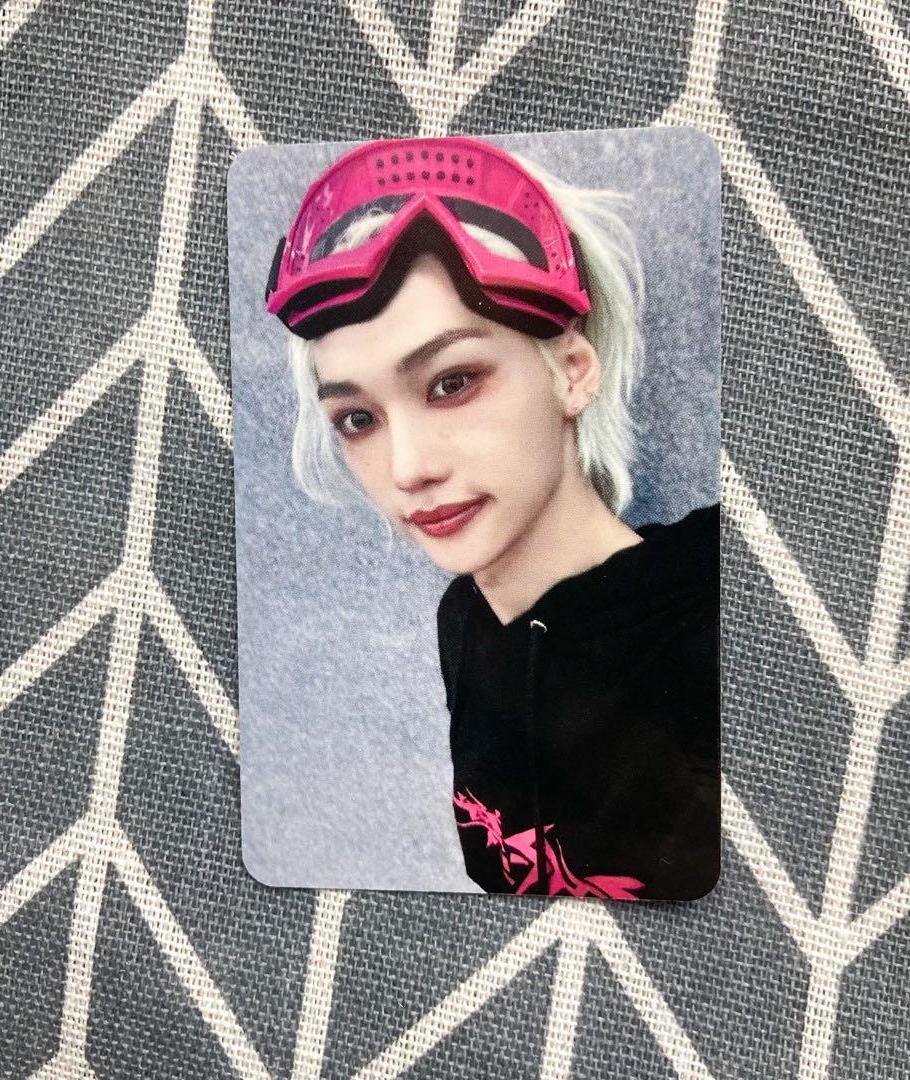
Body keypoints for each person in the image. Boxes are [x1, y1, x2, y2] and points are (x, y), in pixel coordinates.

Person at [266, 135, 720, 901]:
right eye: (357, 419)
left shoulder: (714, 621)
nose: (408, 468)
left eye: (452, 383)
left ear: (571, 372)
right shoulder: (465, 622)